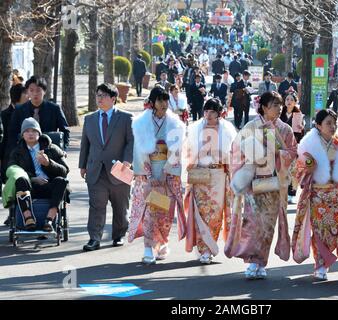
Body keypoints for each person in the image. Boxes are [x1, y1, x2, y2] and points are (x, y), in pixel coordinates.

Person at [225, 91, 297, 279]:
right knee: (253, 223)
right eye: (275, 105)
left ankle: (260, 262)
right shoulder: (251, 126)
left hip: (274, 183)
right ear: (264, 107)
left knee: (267, 225)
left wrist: (276, 153)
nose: (279, 108)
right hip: (254, 183)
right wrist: (253, 156)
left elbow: (292, 152)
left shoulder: (285, 130)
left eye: (280, 105)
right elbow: (235, 149)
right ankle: (251, 260)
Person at [291, 109, 338, 281]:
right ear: (318, 125)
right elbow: (299, 165)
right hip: (317, 194)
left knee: (333, 230)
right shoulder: (309, 143)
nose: (332, 126)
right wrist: (307, 165)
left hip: (336, 194)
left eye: (334, 122)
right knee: (319, 230)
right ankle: (320, 264)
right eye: (328, 123)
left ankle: (324, 263)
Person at [129, 87, 186, 264]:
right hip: (148, 174)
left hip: (167, 174)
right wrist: (149, 175)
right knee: (149, 212)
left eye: (165, 100)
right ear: (152, 103)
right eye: (160, 100)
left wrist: (166, 172)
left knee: (165, 213)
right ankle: (148, 248)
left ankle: (160, 243)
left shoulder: (175, 123)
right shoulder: (141, 123)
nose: (163, 104)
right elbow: (139, 151)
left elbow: (177, 152)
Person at [79, 83, 134, 251]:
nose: (99, 98)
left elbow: (131, 142)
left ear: (113, 98)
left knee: (120, 206)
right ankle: (94, 238)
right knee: (96, 206)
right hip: (96, 170)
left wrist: (127, 161)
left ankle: (119, 235)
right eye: (98, 95)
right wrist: (82, 165)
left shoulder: (126, 118)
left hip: (119, 170)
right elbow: (85, 144)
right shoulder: (89, 119)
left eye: (103, 95)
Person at [183, 98, 237, 264]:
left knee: (215, 213)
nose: (208, 115)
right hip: (200, 175)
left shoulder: (227, 129)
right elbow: (188, 152)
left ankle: (208, 246)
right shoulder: (195, 129)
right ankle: (203, 249)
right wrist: (190, 167)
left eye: (213, 111)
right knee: (201, 212)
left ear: (219, 113)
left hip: (219, 175)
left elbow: (234, 154)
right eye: (206, 111)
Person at [9, 118, 69, 232]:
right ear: (22, 135)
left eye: (34, 131)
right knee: (20, 179)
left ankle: (50, 219)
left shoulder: (52, 148)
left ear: (39, 133)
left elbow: (65, 170)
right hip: (30, 187)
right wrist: (33, 179)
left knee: (61, 181)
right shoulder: (16, 152)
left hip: (49, 184)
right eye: (27, 131)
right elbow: (12, 170)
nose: (30, 134)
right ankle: (28, 218)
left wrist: (48, 163)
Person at [8, 76, 70, 154]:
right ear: (27, 92)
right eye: (31, 90)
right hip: (25, 152)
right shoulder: (19, 110)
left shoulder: (55, 109)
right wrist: (15, 151)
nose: (35, 94)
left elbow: (65, 130)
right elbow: (12, 132)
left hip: (49, 150)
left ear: (44, 91)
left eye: (38, 90)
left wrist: (63, 149)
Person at [1, 83, 29, 226]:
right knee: (11, 185)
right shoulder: (4, 115)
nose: (28, 96)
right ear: (17, 96)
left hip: (25, 155)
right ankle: (12, 213)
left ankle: (19, 213)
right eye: (25, 93)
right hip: (9, 156)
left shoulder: (27, 113)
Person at [280, 93, 305, 204]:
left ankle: (292, 193)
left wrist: (301, 127)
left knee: (294, 170)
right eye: (287, 99)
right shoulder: (279, 114)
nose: (289, 101)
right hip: (281, 146)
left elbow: (301, 133)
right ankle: (283, 191)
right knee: (282, 170)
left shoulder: (298, 115)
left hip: (294, 146)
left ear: (295, 102)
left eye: (291, 100)